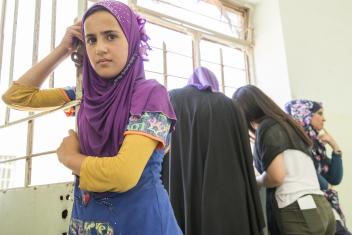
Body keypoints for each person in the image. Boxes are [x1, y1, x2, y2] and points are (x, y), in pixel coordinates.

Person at [2, 1, 182, 234]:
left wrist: (69, 157)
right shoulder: (83, 94)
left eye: (110, 36)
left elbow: (123, 174)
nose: (100, 49)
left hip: (140, 222)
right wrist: (62, 49)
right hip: (87, 222)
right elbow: (17, 96)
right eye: (91, 39)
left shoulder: (150, 94)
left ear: (132, 39)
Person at [162, 67, 265, 235]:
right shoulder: (230, 105)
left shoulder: (171, 98)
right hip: (228, 199)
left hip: (179, 190)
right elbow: (245, 160)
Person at [232, 85, 335, 235]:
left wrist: (258, 181)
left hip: (297, 211)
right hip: (322, 207)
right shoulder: (291, 126)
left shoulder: (266, 127)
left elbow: (277, 176)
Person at [285, 99, 351, 235]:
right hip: (310, 209)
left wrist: (335, 148)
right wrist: (326, 186)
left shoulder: (316, 145)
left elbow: (334, 178)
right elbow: (317, 180)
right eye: (319, 113)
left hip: (324, 206)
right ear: (305, 115)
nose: (324, 118)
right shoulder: (295, 144)